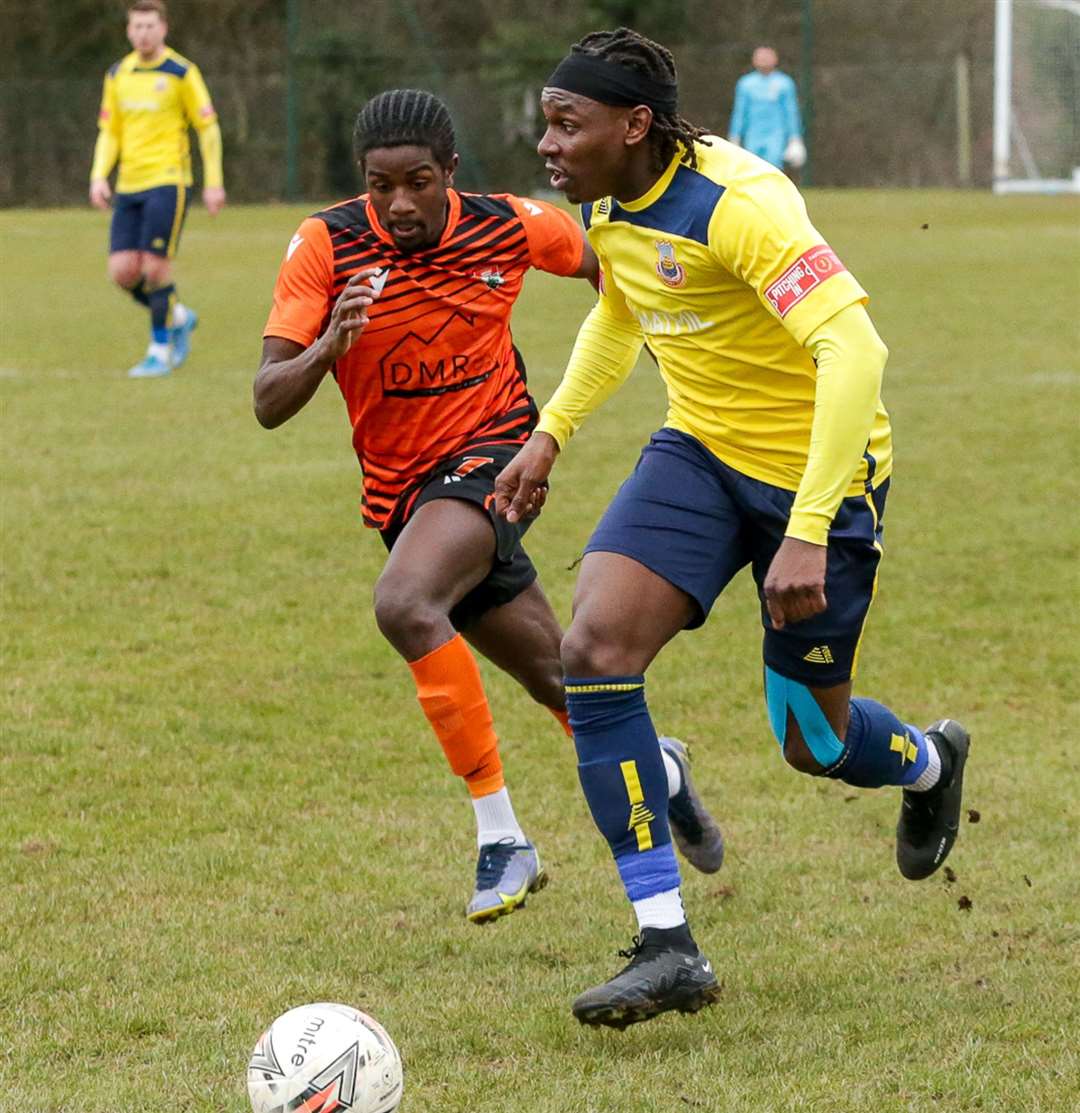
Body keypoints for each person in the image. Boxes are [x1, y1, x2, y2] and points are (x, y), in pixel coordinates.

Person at [496, 27, 970, 1028]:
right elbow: (622, 312)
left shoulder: (740, 206)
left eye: (565, 123)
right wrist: (551, 435)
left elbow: (855, 352)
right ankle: (667, 941)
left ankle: (928, 761)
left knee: (813, 740)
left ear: (635, 126)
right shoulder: (610, 200)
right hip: (700, 456)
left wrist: (806, 528)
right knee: (594, 650)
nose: (547, 141)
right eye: (547, 121)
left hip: (821, 483)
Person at [256, 88, 633, 925]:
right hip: (403, 493)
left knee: (405, 601)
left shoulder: (509, 224)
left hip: (500, 456)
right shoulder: (327, 244)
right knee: (561, 681)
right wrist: (329, 345)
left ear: (450, 174)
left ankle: (502, 837)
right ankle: (659, 770)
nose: (399, 203)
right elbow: (267, 400)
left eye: (418, 182)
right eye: (380, 184)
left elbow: (620, 267)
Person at [89, 0, 225, 378]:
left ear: (163, 29)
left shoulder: (182, 72)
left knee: (155, 269)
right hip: (129, 184)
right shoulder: (118, 74)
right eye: (137, 26)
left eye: (150, 26)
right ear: (128, 31)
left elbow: (208, 128)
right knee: (122, 272)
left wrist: (214, 182)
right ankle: (177, 314)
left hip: (168, 181)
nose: (143, 33)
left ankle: (159, 350)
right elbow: (109, 132)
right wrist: (99, 175)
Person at [727, 45, 805, 171]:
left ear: (775, 59)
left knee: (773, 168)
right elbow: (739, 111)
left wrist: (795, 138)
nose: (763, 60)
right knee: (751, 168)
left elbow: (791, 112)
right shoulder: (745, 83)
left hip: (776, 135)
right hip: (752, 134)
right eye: (760, 56)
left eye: (767, 56)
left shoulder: (784, 83)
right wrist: (734, 136)